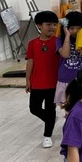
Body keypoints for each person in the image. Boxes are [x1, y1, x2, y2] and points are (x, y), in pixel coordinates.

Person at [26, 10, 60, 148]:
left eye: (54, 24)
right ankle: (51, 119)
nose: (52, 27)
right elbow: (30, 62)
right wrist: (28, 80)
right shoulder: (32, 43)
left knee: (50, 108)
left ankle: (47, 135)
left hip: (53, 83)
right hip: (37, 82)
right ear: (39, 25)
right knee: (34, 108)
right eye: (48, 24)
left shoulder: (58, 42)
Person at [55, 11, 82, 107]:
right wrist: (67, 36)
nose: (75, 31)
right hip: (65, 79)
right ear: (66, 28)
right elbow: (65, 54)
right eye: (71, 28)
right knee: (68, 108)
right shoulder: (60, 40)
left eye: (78, 28)